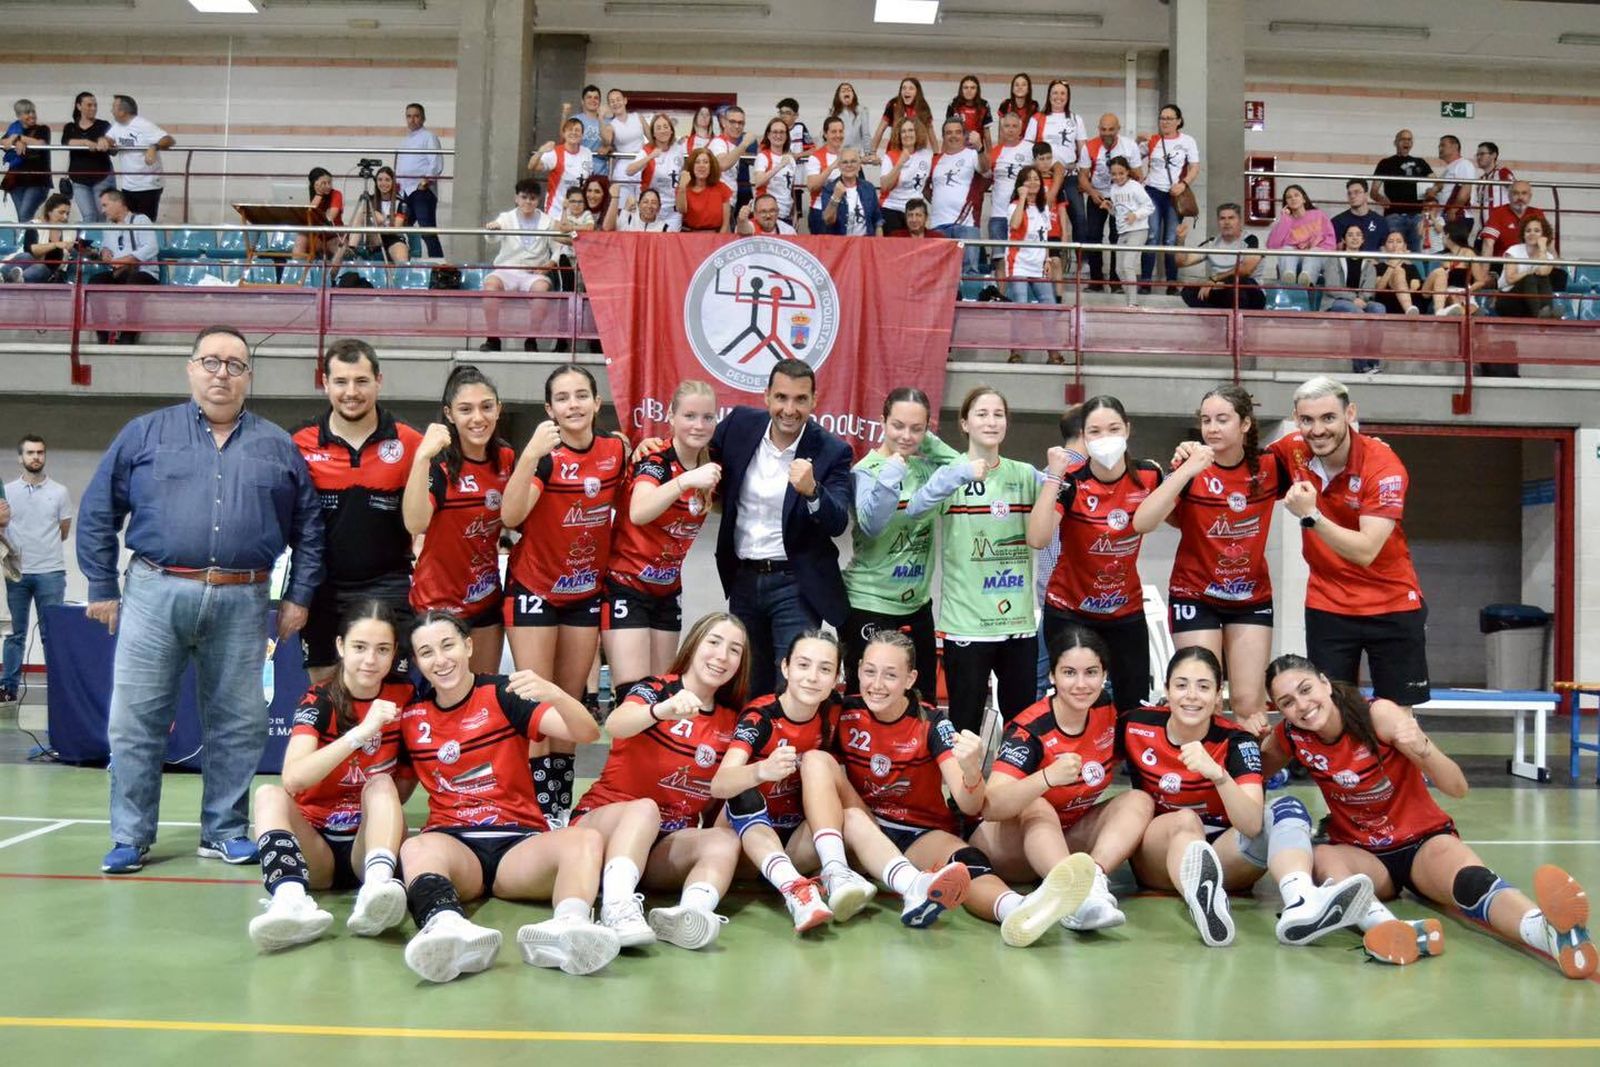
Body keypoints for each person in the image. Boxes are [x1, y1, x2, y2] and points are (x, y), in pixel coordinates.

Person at [78, 325, 324, 874]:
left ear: (248, 377)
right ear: (190, 368)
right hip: (153, 591)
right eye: (211, 362)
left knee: (238, 720)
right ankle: (130, 836)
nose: (222, 374)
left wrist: (298, 595)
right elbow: (98, 511)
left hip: (244, 597)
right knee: (135, 719)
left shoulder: (276, 445)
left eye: (235, 365)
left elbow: (309, 527)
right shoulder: (144, 434)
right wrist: (99, 585)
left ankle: (224, 829)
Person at [1264, 653, 1595, 977]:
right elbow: (1254, 771)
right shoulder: (1291, 736)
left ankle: (1548, 932)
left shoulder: (1378, 715)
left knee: (1473, 883)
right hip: (1362, 854)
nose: (1301, 705)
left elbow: (1457, 787)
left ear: (1325, 684)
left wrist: (1423, 748)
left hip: (1423, 842)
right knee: (1321, 858)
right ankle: (1394, 929)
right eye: (1287, 702)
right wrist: (1246, 739)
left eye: (1306, 690)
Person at [833, 630, 1096, 947]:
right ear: (858, 669)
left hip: (919, 832)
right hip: (864, 824)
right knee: (823, 769)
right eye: (869, 671)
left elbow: (970, 805)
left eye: (891, 675)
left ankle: (1019, 908)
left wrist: (972, 770)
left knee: (966, 862)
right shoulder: (844, 712)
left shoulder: (931, 723)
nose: (877, 684)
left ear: (911, 678)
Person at [397, 611, 619, 982]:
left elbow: (585, 733)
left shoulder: (502, 694)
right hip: (455, 848)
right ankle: (448, 927)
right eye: (427, 652)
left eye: (448, 645)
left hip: (518, 846)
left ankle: (568, 928)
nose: (441, 659)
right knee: (416, 847)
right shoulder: (411, 717)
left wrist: (555, 693)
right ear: (417, 661)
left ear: (468, 646)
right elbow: (397, 791)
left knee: (585, 838)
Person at [1127, 647, 1374, 948]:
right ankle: (1203, 901)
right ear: (1166, 689)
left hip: (1225, 857)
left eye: (1204, 687)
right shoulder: (1135, 725)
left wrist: (1218, 775)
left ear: (1219, 695)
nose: (1192, 695)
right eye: (1181, 685)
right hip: (1160, 857)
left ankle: (1301, 900)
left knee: (1287, 808)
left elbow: (1251, 824)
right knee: (1185, 821)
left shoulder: (1237, 741)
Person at [570, 612, 749, 950]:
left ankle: (688, 915)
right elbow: (617, 725)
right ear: (694, 645)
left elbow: (717, 799)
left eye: (734, 650)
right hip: (603, 826)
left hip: (663, 844)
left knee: (724, 842)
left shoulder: (731, 721)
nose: (722, 656)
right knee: (645, 810)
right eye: (714, 642)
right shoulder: (657, 688)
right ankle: (617, 907)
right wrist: (661, 711)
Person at [501, 365, 628, 822]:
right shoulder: (548, 457)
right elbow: (511, 517)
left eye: (581, 395)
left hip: (584, 593)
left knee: (568, 701)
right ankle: (533, 810)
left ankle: (556, 809)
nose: (572, 404)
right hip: (534, 589)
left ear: (597, 403)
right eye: (562, 397)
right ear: (549, 408)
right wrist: (530, 454)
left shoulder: (615, 450)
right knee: (537, 704)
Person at [246, 603, 412, 951]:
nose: (370, 659)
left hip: (367, 846)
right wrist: (360, 734)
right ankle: (291, 900)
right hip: (316, 847)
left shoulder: (404, 697)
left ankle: (377, 889)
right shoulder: (319, 698)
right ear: (340, 647)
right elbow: (293, 779)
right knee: (268, 795)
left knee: (380, 784)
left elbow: (406, 785)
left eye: (382, 649)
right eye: (359, 647)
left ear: (395, 652)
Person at [1267, 376, 1430, 711]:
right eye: (1307, 420)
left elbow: (1366, 550)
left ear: (1349, 414)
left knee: (1396, 717)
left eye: (1328, 418)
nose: (1318, 430)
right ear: (1296, 419)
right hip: (1329, 606)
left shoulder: (1383, 466)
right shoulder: (1291, 450)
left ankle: (1404, 766)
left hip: (1392, 604)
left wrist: (1311, 516)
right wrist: (1193, 451)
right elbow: (1240, 466)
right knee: (1329, 709)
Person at [977, 627, 1155, 932]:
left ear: (1104, 676)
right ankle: (1076, 894)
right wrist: (1046, 778)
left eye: (1091, 672)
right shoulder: (1029, 729)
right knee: (1038, 804)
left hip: (1065, 837)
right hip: (1010, 849)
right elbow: (990, 806)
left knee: (1138, 799)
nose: (1081, 684)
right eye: (1069, 672)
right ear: (1052, 677)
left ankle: (1093, 882)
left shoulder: (1106, 709)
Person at [1137, 385, 1288, 735]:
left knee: (1249, 703)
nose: (1212, 428)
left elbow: (1319, 462)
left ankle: (1248, 779)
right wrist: (1185, 471)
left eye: (1222, 419)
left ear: (1246, 424)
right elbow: (1146, 522)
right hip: (1195, 595)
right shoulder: (1188, 467)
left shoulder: (1269, 466)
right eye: (1206, 420)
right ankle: (1198, 779)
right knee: (1203, 695)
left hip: (1250, 599)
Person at [712, 359, 852, 699]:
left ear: (814, 401)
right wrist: (651, 446)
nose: (789, 409)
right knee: (748, 683)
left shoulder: (832, 450)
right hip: (743, 579)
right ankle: (755, 752)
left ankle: (792, 753)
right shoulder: (740, 426)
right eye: (781, 398)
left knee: (793, 684)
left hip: (796, 584)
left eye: (800, 399)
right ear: (766, 397)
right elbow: (698, 454)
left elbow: (837, 522)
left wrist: (812, 490)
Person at [909, 385, 1040, 735]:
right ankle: (961, 791)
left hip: (1018, 623)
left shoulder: (1024, 474)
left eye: (998, 414)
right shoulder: (950, 473)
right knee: (964, 726)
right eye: (981, 414)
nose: (991, 421)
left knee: (1021, 727)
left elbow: (1065, 491)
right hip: (966, 624)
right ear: (965, 423)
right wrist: (957, 475)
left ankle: (1010, 789)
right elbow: (916, 508)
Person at [290, 339, 421, 685]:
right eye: (341, 381)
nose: (352, 392)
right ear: (325, 382)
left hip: (388, 584)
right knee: (325, 690)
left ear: (379, 380)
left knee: (390, 692)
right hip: (322, 587)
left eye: (362, 381)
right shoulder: (298, 443)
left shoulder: (410, 444)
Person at [710, 631, 854, 932]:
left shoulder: (836, 710)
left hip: (796, 841)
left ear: (836, 677)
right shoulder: (760, 716)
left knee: (849, 814)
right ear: (786, 668)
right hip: (746, 844)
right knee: (743, 793)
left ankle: (865, 876)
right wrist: (761, 770)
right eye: (803, 665)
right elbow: (719, 784)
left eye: (825, 669)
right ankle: (796, 891)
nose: (813, 677)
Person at [1029, 394, 1163, 715]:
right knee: (1072, 699)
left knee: (1133, 703)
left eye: (1114, 429)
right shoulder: (1071, 481)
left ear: (1128, 430)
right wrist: (1053, 478)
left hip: (1124, 611)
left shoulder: (1148, 476)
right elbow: (1037, 537)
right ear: (1084, 438)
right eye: (1095, 432)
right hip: (1070, 609)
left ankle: (1129, 764)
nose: (1106, 439)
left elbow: (1163, 515)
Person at [603, 380, 720, 692]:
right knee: (633, 694)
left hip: (667, 591)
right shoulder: (655, 458)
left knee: (662, 692)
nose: (699, 425)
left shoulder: (711, 465)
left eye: (708, 417)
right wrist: (684, 482)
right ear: (671, 416)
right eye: (690, 416)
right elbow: (639, 511)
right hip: (627, 586)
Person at [843, 387, 961, 693]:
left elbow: (964, 466)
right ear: (882, 421)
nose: (906, 435)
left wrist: (927, 440)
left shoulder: (924, 468)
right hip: (868, 602)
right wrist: (893, 468)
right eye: (898, 426)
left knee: (921, 703)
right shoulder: (864, 471)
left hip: (917, 607)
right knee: (867, 698)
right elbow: (872, 526)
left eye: (916, 428)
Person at [404, 365, 515, 676]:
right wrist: (422, 458)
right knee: (444, 698)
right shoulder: (439, 464)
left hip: (485, 599)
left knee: (482, 693)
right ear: (449, 414)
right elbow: (415, 523)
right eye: (465, 409)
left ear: (498, 409)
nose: (477, 418)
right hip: (437, 605)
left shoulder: (505, 457)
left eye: (486, 407)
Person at [0, 435, 71, 705]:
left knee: (51, 633)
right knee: (14, 633)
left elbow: (63, 531)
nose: (36, 457)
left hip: (50, 573)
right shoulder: (7, 491)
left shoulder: (60, 492)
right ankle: (8, 687)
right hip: (15, 573)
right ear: (21, 458)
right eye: (30, 453)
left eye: (40, 452)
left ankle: (60, 686)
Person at [1031, 405, 1086, 698]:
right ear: (1085, 432)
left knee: (1042, 682)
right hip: (1072, 598)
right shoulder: (1081, 477)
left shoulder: (1044, 476)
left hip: (1051, 596)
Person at [477, 177, 559, 352]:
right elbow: (492, 238)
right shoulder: (506, 218)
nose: (528, 202)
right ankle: (492, 338)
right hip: (506, 269)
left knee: (542, 290)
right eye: (524, 197)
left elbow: (558, 249)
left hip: (533, 273)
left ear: (538, 200)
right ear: (516, 198)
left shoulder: (548, 221)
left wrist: (548, 265)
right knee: (490, 285)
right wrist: (492, 228)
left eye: (532, 198)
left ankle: (532, 338)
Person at [1077, 114, 1142, 290]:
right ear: (1098, 129)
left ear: (1118, 129)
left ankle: (1116, 281)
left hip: (1121, 199)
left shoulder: (1129, 146)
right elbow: (1082, 176)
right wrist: (1091, 192)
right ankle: (1096, 281)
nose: (1107, 133)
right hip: (1097, 195)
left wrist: (1126, 180)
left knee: (1118, 237)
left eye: (1111, 129)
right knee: (1093, 237)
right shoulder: (1089, 146)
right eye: (1103, 129)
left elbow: (1138, 174)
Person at [928, 117, 990, 298]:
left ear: (964, 136)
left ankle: (970, 319)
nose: (953, 136)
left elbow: (986, 169)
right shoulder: (936, 160)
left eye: (957, 132)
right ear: (943, 136)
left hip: (967, 224)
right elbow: (926, 188)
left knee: (970, 272)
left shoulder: (972, 155)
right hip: (939, 225)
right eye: (948, 133)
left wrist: (980, 148)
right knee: (940, 273)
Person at [1140, 103, 1199, 291]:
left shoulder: (1187, 141)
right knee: (1151, 236)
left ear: (1178, 121)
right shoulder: (1153, 140)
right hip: (1152, 191)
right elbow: (1133, 157)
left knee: (1170, 239)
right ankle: (1146, 282)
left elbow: (1195, 166)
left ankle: (1172, 283)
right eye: (1162, 118)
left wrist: (1183, 184)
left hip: (1175, 194)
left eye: (1169, 118)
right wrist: (1137, 139)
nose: (1165, 122)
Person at [89, 189, 159, 344]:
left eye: (105, 205)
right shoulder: (108, 226)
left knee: (134, 283)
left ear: (119, 203)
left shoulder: (140, 220)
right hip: (118, 272)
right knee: (95, 282)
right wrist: (104, 252)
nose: (103, 210)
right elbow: (106, 247)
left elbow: (152, 247)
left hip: (143, 272)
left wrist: (127, 259)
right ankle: (103, 334)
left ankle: (129, 335)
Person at [1028, 80, 1086, 258]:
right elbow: (1028, 148)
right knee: (1040, 216)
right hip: (1044, 176)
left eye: (1063, 93)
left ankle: (1081, 262)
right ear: (1049, 95)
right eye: (1055, 93)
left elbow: (1083, 150)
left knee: (1079, 218)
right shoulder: (1037, 118)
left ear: (1067, 97)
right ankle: (1041, 259)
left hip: (1069, 176)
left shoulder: (1076, 119)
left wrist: (1084, 177)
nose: (1058, 97)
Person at [1175, 202, 1266, 310]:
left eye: (1231, 218)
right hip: (1221, 290)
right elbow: (1181, 262)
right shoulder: (1211, 243)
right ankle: (1216, 316)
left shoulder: (1251, 239)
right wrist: (1180, 240)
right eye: (1222, 218)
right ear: (1218, 222)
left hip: (1249, 293)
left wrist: (1214, 279)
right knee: (1188, 291)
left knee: (1236, 283)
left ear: (1239, 221)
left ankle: (1231, 317)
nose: (1227, 222)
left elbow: (1246, 270)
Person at [102, 94, 172, 222]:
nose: (111, 111)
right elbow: (109, 139)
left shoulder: (144, 125)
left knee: (145, 223)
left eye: (114, 107)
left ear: (122, 111)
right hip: (128, 185)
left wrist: (154, 147)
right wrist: (104, 141)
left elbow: (168, 140)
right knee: (128, 222)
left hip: (148, 185)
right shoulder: (117, 126)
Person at [987, 113, 1036, 281]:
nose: (1010, 130)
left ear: (1021, 128)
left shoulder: (1030, 149)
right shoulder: (994, 152)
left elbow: (1048, 169)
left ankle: (1021, 295)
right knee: (999, 258)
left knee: (1022, 257)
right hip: (998, 215)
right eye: (1007, 126)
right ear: (1001, 128)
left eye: (1014, 126)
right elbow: (986, 179)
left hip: (1023, 213)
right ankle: (1002, 296)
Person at [1371, 128, 1432, 253]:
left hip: (1417, 216)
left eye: (1409, 139)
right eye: (1403, 139)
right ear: (1396, 142)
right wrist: (1380, 198)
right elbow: (1374, 191)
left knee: (1416, 254)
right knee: (1393, 252)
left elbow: (1437, 183)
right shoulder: (1386, 163)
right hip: (1394, 215)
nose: (1406, 142)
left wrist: (1432, 191)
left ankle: (1413, 273)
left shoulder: (1420, 162)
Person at [396, 103, 444, 258]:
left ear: (423, 118)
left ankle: (439, 267)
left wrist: (424, 182)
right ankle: (411, 258)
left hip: (421, 191)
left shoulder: (429, 137)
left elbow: (436, 163)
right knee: (402, 227)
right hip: (405, 191)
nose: (412, 119)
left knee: (427, 231)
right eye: (409, 116)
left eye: (416, 116)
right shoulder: (405, 140)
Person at [1495, 215, 1564, 321]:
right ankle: (1540, 317)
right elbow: (1510, 279)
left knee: (1543, 278)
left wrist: (1542, 249)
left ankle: (1547, 312)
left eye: (1537, 231)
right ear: (1524, 234)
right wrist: (1529, 272)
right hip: (1509, 300)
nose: (1532, 233)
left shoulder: (1548, 256)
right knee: (1530, 278)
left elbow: (1542, 272)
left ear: (1544, 235)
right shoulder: (1514, 250)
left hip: (1529, 304)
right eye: (1528, 231)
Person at [1266, 185, 1335, 289]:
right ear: (1286, 203)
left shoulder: (1318, 214)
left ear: (1303, 199)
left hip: (1316, 254)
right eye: (1289, 197)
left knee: (1313, 253)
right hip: (1296, 255)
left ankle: (1306, 280)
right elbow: (1272, 245)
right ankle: (1288, 279)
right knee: (1286, 249)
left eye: (1296, 195)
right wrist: (1285, 219)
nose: (1293, 198)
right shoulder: (1286, 220)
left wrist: (1313, 248)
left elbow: (1330, 240)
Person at [624, 113, 685, 230]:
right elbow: (629, 171)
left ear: (671, 130)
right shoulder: (646, 150)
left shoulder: (678, 149)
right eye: (658, 128)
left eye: (666, 127)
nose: (663, 130)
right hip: (650, 209)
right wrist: (650, 157)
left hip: (672, 211)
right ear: (653, 133)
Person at [60, 92, 114, 224]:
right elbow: (66, 142)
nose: (93, 108)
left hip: (102, 176)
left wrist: (105, 141)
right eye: (89, 105)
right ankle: (91, 244)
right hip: (79, 179)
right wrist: (85, 142)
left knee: (102, 215)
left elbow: (112, 142)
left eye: (95, 105)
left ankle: (101, 244)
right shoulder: (70, 127)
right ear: (79, 106)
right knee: (88, 216)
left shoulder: (103, 125)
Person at [1108, 156, 1154, 306]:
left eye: (1121, 173)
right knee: (1119, 269)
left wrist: (1136, 215)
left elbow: (1149, 206)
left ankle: (1132, 303)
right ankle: (1130, 299)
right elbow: (1119, 213)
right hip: (1123, 231)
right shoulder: (1113, 189)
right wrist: (1111, 210)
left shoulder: (1134, 186)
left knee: (1128, 264)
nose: (1117, 177)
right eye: (1114, 174)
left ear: (1127, 171)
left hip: (1138, 230)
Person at [1419, 217, 1488, 316]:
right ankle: (1446, 309)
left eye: (1443, 235)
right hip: (1443, 293)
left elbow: (1480, 281)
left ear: (1448, 235)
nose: (1442, 237)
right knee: (1440, 273)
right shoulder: (1443, 256)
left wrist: (1466, 291)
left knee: (1461, 303)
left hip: (1463, 292)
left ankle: (1455, 311)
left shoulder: (1468, 253)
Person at [877, 117, 934, 236]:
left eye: (910, 130)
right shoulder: (890, 156)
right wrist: (899, 163)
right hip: (892, 208)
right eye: (903, 131)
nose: (907, 134)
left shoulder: (927, 156)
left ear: (917, 132)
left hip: (915, 211)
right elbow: (885, 186)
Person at [343, 166, 410, 266]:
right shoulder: (369, 199)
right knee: (362, 214)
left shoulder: (400, 202)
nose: (383, 183)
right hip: (374, 237)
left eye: (387, 180)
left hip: (394, 237)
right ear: (376, 182)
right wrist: (374, 218)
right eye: (380, 180)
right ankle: (351, 249)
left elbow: (396, 228)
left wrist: (382, 220)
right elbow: (357, 222)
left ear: (393, 182)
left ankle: (401, 280)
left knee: (402, 259)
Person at [530, 117, 596, 217]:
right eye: (570, 130)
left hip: (578, 213)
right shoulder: (555, 153)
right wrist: (541, 151)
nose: (573, 133)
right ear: (564, 134)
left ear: (582, 135)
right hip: (556, 212)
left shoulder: (587, 153)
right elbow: (532, 166)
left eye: (577, 130)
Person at [2, 100, 52, 227]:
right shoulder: (13, 129)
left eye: (33, 111)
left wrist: (18, 138)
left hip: (37, 181)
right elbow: (4, 142)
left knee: (25, 214)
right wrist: (15, 140)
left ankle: (26, 245)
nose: (32, 115)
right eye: (27, 112)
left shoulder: (42, 129)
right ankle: (26, 244)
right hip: (16, 181)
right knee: (22, 217)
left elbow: (41, 143)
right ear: (19, 116)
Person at [4, 193, 74, 285]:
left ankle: (14, 282)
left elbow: (76, 250)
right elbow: (30, 250)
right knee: (26, 256)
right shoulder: (36, 225)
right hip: (27, 264)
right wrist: (55, 244)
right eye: (61, 212)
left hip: (48, 273)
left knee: (40, 267)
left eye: (67, 213)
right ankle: (5, 277)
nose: (65, 217)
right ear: (49, 211)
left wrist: (87, 250)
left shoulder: (71, 231)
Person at [1322, 224, 1387, 316]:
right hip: (1336, 301)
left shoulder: (1369, 264)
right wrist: (1353, 299)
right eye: (1350, 235)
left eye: (1358, 235)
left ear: (1362, 240)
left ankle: (1373, 330)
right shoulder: (1334, 259)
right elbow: (1332, 287)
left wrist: (1360, 300)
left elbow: (1368, 290)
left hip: (1361, 301)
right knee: (1352, 308)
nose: (1355, 238)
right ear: (1344, 240)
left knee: (1379, 308)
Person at [750, 118, 801, 228]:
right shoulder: (763, 156)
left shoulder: (790, 160)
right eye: (775, 132)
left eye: (782, 132)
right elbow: (758, 181)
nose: (779, 135)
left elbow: (790, 189)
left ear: (787, 135)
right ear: (768, 135)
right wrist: (779, 166)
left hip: (786, 213)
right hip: (766, 214)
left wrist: (795, 212)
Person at [819, 148, 881, 236]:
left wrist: (878, 245)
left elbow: (878, 221)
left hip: (865, 244)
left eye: (853, 161)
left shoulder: (869, 188)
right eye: (845, 162)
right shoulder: (829, 189)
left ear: (859, 166)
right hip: (841, 244)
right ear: (839, 166)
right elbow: (828, 220)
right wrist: (835, 197)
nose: (849, 165)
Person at [1479, 180, 1547, 259]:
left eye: (1524, 193)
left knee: (1559, 272)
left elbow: (1549, 244)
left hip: (1531, 263)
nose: (1520, 197)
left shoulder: (1537, 213)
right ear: (1509, 196)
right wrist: (1484, 271)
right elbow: (1488, 243)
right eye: (1515, 193)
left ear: (1530, 196)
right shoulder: (1498, 213)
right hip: (1503, 263)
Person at [290, 167, 345, 262]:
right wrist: (318, 195)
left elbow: (330, 217)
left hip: (333, 236)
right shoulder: (311, 195)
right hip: (317, 237)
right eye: (324, 183)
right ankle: (299, 273)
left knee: (340, 250)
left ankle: (333, 276)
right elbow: (308, 216)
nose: (328, 186)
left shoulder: (336, 194)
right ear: (315, 184)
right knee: (301, 238)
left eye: (329, 183)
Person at [870, 77, 934, 160]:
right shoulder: (893, 104)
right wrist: (872, 152)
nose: (907, 91)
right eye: (904, 88)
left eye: (911, 88)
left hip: (916, 151)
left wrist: (936, 154)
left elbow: (931, 133)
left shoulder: (923, 106)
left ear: (917, 92)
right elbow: (880, 129)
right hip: (895, 149)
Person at [676, 147, 732, 233]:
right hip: (689, 237)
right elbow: (681, 210)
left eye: (705, 162)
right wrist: (682, 187)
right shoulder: (683, 188)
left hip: (716, 237)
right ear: (691, 166)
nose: (701, 166)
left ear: (711, 166)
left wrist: (719, 240)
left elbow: (725, 224)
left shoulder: (722, 188)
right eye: (697, 162)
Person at [1371, 229, 1425, 317]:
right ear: (1384, 248)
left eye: (1399, 241)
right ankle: (1408, 309)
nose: (1395, 245)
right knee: (1398, 271)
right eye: (1391, 242)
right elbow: (1379, 288)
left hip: (1412, 304)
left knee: (1399, 271)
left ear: (1405, 247)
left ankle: (1408, 308)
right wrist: (1392, 265)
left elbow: (1415, 287)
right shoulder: (1378, 266)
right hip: (1387, 304)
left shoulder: (1411, 267)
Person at [708, 106, 757, 205]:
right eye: (732, 122)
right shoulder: (718, 142)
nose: (737, 126)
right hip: (717, 203)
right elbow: (723, 164)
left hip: (729, 202)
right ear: (724, 123)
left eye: (740, 123)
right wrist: (745, 143)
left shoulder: (733, 147)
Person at [1422, 134, 1474, 225]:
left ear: (1455, 146)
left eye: (1443, 145)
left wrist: (1454, 210)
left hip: (1458, 215)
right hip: (1446, 215)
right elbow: (1440, 187)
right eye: (1439, 146)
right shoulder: (1449, 169)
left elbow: (1466, 189)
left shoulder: (1464, 164)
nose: (1440, 149)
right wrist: (1433, 190)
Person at [600, 88, 644, 195]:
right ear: (609, 105)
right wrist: (600, 117)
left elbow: (652, 139)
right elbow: (606, 141)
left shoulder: (637, 117)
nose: (615, 103)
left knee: (643, 203)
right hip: (623, 169)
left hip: (642, 164)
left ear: (625, 100)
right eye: (612, 101)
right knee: (622, 205)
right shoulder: (611, 125)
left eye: (618, 99)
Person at [1330, 179, 1388, 253]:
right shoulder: (1337, 222)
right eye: (1349, 193)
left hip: (1372, 263)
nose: (1352, 196)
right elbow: (1334, 250)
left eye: (1357, 192)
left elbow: (1384, 249)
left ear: (1366, 195)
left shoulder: (1380, 221)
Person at [946, 75, 993, 153]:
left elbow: (986, 133)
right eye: (966, 87)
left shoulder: (984, 105)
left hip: (977, 150)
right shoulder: (953, 104)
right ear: (961, 89)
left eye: (972, 88)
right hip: (957, 149)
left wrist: (991, 154)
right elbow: (947, 131)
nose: (969, 90)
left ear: (977, 90)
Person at [829, 82, 875, 157]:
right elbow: (825, 134)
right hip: (837, 154)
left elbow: (866, 134)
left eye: (849, 90)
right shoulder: (833, 112)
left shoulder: (862, 110)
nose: (846, 91)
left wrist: (868, 153)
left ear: (853, 95)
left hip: (855, 155)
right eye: (843, 91)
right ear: (838, 96)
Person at [610, 188, 679, 233]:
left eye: (654, 202)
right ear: (639, 205)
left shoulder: (666, 230)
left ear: (659, 207)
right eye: (645, 202)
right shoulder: (627, 219)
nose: (649, 206)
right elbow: (608, 229)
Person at [565, 86, 606, 153]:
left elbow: (614, 146)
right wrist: (564, 115)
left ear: (599, 102)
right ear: (582, 101)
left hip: (600, 163)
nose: (593, 100)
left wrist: (608, 148)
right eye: (589, 97)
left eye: (596, 98)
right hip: (578, 162)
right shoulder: (574, 120)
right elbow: (564, 140)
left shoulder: (607, 121)